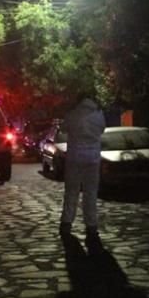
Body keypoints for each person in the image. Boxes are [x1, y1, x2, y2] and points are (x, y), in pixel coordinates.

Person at [59, 92, 106, 241]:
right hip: (93, 159)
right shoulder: (99, 115)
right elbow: (102, 130)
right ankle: (91, 226)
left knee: (71, 192)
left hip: (75, 158)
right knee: (90, 194)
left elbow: (63, 128)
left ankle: (67, 223)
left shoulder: (73, 114)